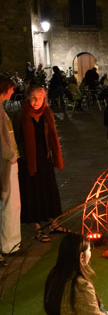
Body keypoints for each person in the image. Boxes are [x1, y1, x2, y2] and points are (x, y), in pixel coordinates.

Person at [14, 86, 65, 242]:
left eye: (40, 98)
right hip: (28, 162)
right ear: (29, 97)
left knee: (49, 190)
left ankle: (53, 223)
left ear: (44, 99)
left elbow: (51, 136)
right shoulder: (21, 115)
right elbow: (17, 139)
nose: (36, 102)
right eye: (34, 98)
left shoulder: (46, 114)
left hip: (44, 159)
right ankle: (38, 228)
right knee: (33, 193)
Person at [0, 74, 21, 259]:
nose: (13, 91)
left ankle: (10, 243)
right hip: (6, 162)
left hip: (8, 161)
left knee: (10, 204)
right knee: (10, 204)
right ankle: (10, 245)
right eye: (11, 88)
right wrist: (11, 156)